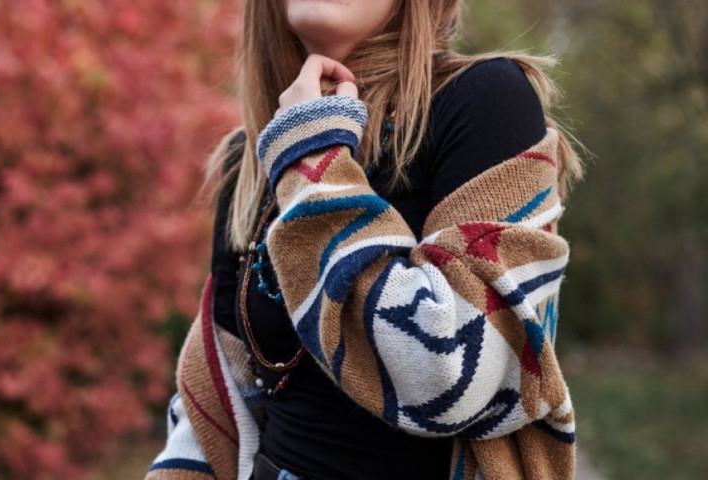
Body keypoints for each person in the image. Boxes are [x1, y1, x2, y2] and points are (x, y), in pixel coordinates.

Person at [148, 1, 585, 479]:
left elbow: (455, 379)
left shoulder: (487, 101)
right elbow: (217, 403)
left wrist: (310, 158)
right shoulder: (253, 156)